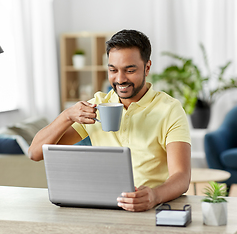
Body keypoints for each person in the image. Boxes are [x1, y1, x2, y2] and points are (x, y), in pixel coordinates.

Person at [28, 29, 191, 212]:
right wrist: (67, 115)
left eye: (130, 70)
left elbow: (181, 176)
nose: (120, 79)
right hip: (102, 207)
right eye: (113, 70)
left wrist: (154, 196)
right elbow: (35, 153)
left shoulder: (169, 109)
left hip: (151, 208)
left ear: (147, 67)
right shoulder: (97, 105)